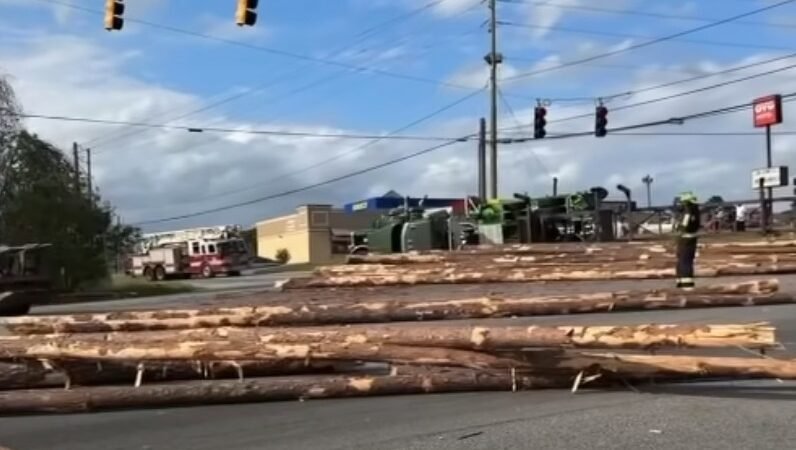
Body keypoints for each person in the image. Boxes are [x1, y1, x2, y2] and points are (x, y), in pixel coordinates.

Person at [675, 192, 701, 289]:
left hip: (685, 239)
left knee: (683, 260)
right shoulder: (693, 210)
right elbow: (687, 225)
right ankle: (685, 283)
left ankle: (683, 283)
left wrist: (678, 230)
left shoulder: (687, 211)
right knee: (686, 261)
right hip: (689, 239)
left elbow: (684, 225)